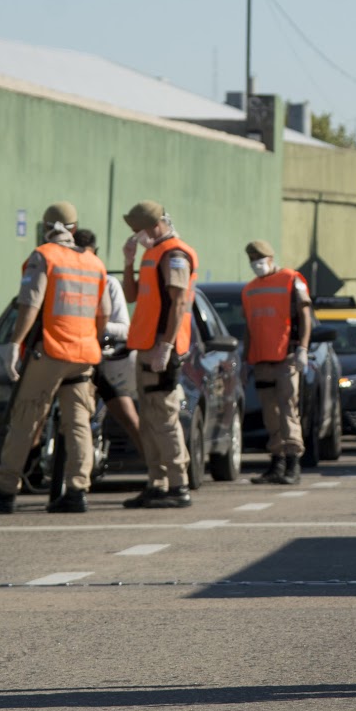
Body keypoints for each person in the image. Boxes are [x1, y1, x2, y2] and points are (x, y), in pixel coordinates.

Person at [0, 203, 109, 514]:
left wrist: (14, 344)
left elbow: (29, 304)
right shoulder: (94, 263)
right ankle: (76, 491)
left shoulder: (44, 256)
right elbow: (104, 314)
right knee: (78, 423)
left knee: (26, 417)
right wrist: (90, 341)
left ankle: (6, 489)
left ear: (46, 227)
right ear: (74, 228)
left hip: (52, 351)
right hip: (84, 355)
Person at [120, 200, 198, 509]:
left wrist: (166, 345)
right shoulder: (152, 254)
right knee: (149, 420)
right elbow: (131, 296)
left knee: (164, 419)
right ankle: (157, 482)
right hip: (145, 348)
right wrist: (128, 262)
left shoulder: (174, 254)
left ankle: (178, 485)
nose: (136, 236)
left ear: (154, 226)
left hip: (161, 349)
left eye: (138, 230)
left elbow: (178, 303)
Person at [241, 239, 313, 485]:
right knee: (270, 414)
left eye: (259, 259)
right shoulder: (249, 289)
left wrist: (303, 348)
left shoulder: (292, 279)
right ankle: (277, 462)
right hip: (262, 360)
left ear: (270, 259)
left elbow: (305, 316)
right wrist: (244, 360)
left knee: (287, 410)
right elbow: (250, 327)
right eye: (252, 260)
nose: (256, 264)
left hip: (287, 357)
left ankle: (293, 463)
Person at [73, 228, 140, 464]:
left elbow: (124, 329)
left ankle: (155, 468)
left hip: (99, 359)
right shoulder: (64, 280)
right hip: (67, 358)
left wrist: (95, 328)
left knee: (128, 416)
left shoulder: (108, 283)